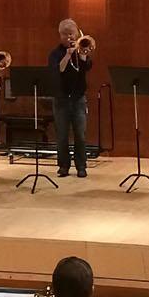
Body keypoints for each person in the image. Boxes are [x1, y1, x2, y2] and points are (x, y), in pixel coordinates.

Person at [49, 19, 94, 178]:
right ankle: (63, 166)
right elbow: (57, 70)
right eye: (66, 34)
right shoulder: (55, 53)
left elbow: (87, 67)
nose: (69, 37)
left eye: (72, 33)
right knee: (62, 136)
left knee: (80, 135)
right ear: (60, 36)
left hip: (78, 99)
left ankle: (81, 166)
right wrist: (67, 56)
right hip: (61, 100)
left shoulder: (82, 50)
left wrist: (81, 55)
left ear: (77, 33)